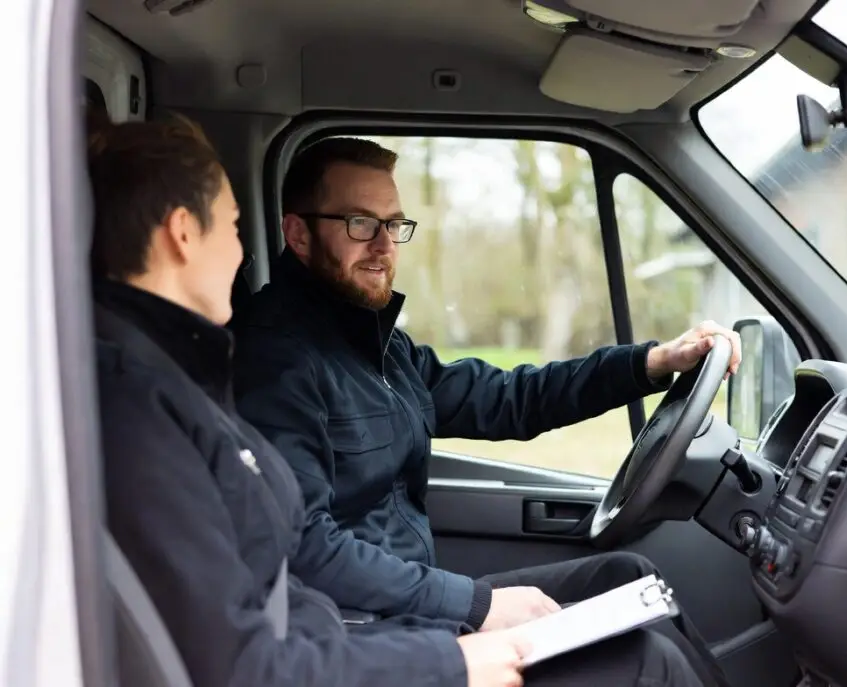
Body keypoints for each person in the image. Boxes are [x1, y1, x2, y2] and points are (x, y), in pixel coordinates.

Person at [89, 116, 713, 687]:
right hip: (368, 625)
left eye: (394, 225)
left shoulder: (373, 343)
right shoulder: (265, 363)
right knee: (645, 664)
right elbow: (295, 567)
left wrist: (649, 364)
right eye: (361, 224)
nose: (385, 245)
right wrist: (468, 623)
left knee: (628, 578)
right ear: (298, 234)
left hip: (404, 615)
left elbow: (507, 397)